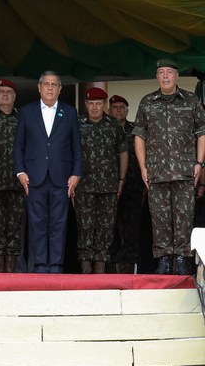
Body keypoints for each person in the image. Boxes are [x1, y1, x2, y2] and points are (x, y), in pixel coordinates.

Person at [133, 59, 205, 275]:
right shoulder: (147, 102)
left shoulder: (191, 100)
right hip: (157, 171)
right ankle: (163, 260)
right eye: (161, 72)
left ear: (176, 75)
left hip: (185, 171)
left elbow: (202, 133)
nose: (165, 76)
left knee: (184, 217)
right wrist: (143, 167)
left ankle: (182, 259)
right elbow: (139, 136)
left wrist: (199, 163)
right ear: (157, 76)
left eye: (170, 72)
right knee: (159, 217)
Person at [14, 70, 82, 273]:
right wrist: (20, 171)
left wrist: (76, 173)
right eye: (46, 84)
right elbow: (19, 145)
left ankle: (56, 266)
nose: (50, 88)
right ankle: (40, 266)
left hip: (62, 178)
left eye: (54, 84)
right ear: (39, 87)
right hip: (34, 177)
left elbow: (77, 146)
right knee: (37, 223)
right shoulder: (27, 112)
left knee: (58, 223)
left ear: (60, 89)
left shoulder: (69, 112)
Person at [74, 87, 127, 274]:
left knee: (106, 227)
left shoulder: (114, 125)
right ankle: (86, 269)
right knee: (85, 226)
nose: (95, 107)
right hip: (83, 185)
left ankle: (100, 270)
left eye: (98, 104)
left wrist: (121, 179)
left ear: (104, 105)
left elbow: (123, 152)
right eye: (91, 104)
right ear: (86, 104)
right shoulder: (77, 125)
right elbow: (69, 154)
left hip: (108, 186)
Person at [0, 78, 25, 273]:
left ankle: (10, 273)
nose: (5, 95)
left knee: (14, 229)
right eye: (1, 92)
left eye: (9, 92)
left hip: (18, 183)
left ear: (14, 96)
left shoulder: (23, 119)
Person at [108, 94, 144, 272]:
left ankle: (129, 265)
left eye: (122, 107)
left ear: (127, 111)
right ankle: (111, 265)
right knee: (110, 226)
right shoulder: (105, 129)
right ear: (109, 110)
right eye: (115, 107)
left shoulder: (136, 130)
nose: (119, 110)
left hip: (133, 186)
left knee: (131, 226)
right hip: (108, 186)